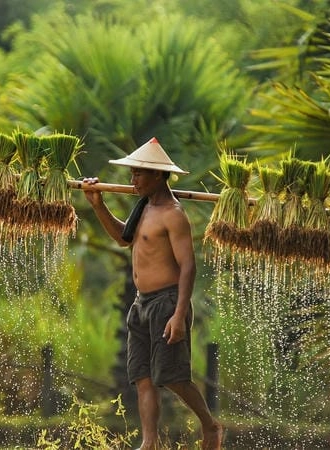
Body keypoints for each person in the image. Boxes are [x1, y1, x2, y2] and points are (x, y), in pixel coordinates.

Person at [82, 137, 223, 450]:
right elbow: (123, 239)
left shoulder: (173, 214)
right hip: (140, 303)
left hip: (167, 303)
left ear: (159, 175)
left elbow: (188, 267)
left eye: (139, 174)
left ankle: (210, 425)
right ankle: (150, 443)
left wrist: (178, 314)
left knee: (171, 377)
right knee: (142, 378)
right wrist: (98, 204)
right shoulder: (143, 207)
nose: (133, 180)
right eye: (132, 174)